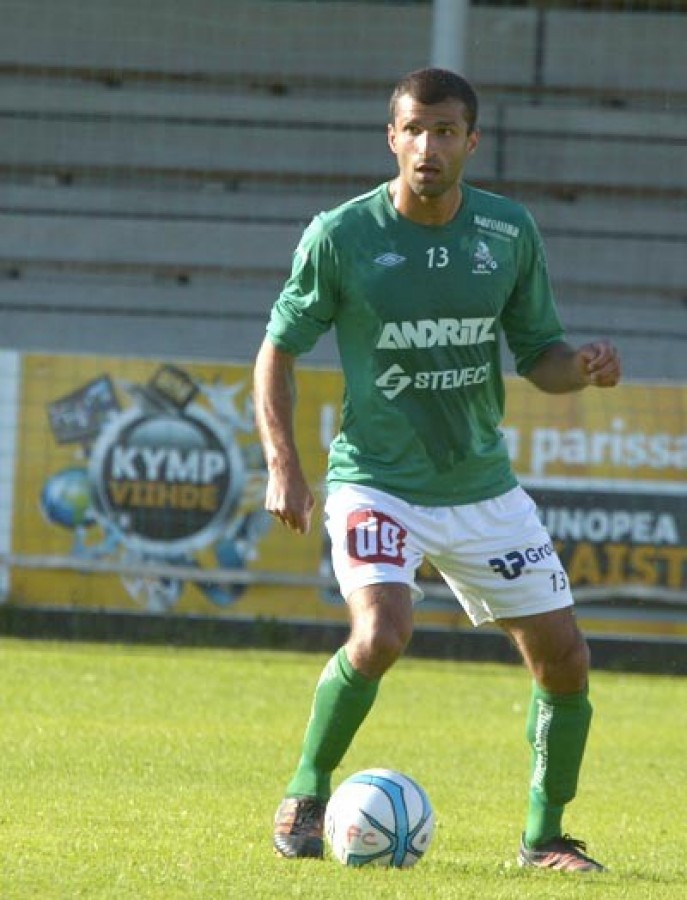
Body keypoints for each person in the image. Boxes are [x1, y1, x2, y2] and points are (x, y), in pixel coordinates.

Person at [253, 67, 620, 872]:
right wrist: (284, 465)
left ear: (470, 142)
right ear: (391, 138)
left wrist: (581, 368)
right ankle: (305, 792)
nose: (428, 146)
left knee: (564, 656)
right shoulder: (341, 236)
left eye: (445, 131)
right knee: (381, 631)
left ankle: (543, 839)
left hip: (480, 486)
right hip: (376, 480)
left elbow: (539, 355)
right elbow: (277, 348)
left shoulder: (507, 232)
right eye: (414, 130)